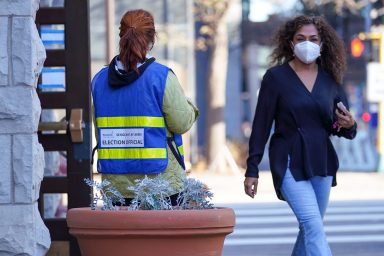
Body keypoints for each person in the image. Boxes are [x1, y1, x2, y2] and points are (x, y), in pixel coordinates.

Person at [244, 15, 357, 255]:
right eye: (301, 38)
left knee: (309, 229)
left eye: (313, 39)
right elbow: (261, 125)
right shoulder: (275, 78)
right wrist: (252, 169)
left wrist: (348, 124)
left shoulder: (331, 79)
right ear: (291, 42)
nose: (308, 43)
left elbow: (344, 128)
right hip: (287, 160)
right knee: (313, 227)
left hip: (321, 162)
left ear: (322, 43)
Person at [91, 9, 199, 206]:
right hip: (162, 184)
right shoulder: (161, 77)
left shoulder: (99, 81)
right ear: (152, 39)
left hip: (116, 186)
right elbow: (181, 123)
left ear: (120, 36)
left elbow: (99, 129)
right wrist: (190, 107)